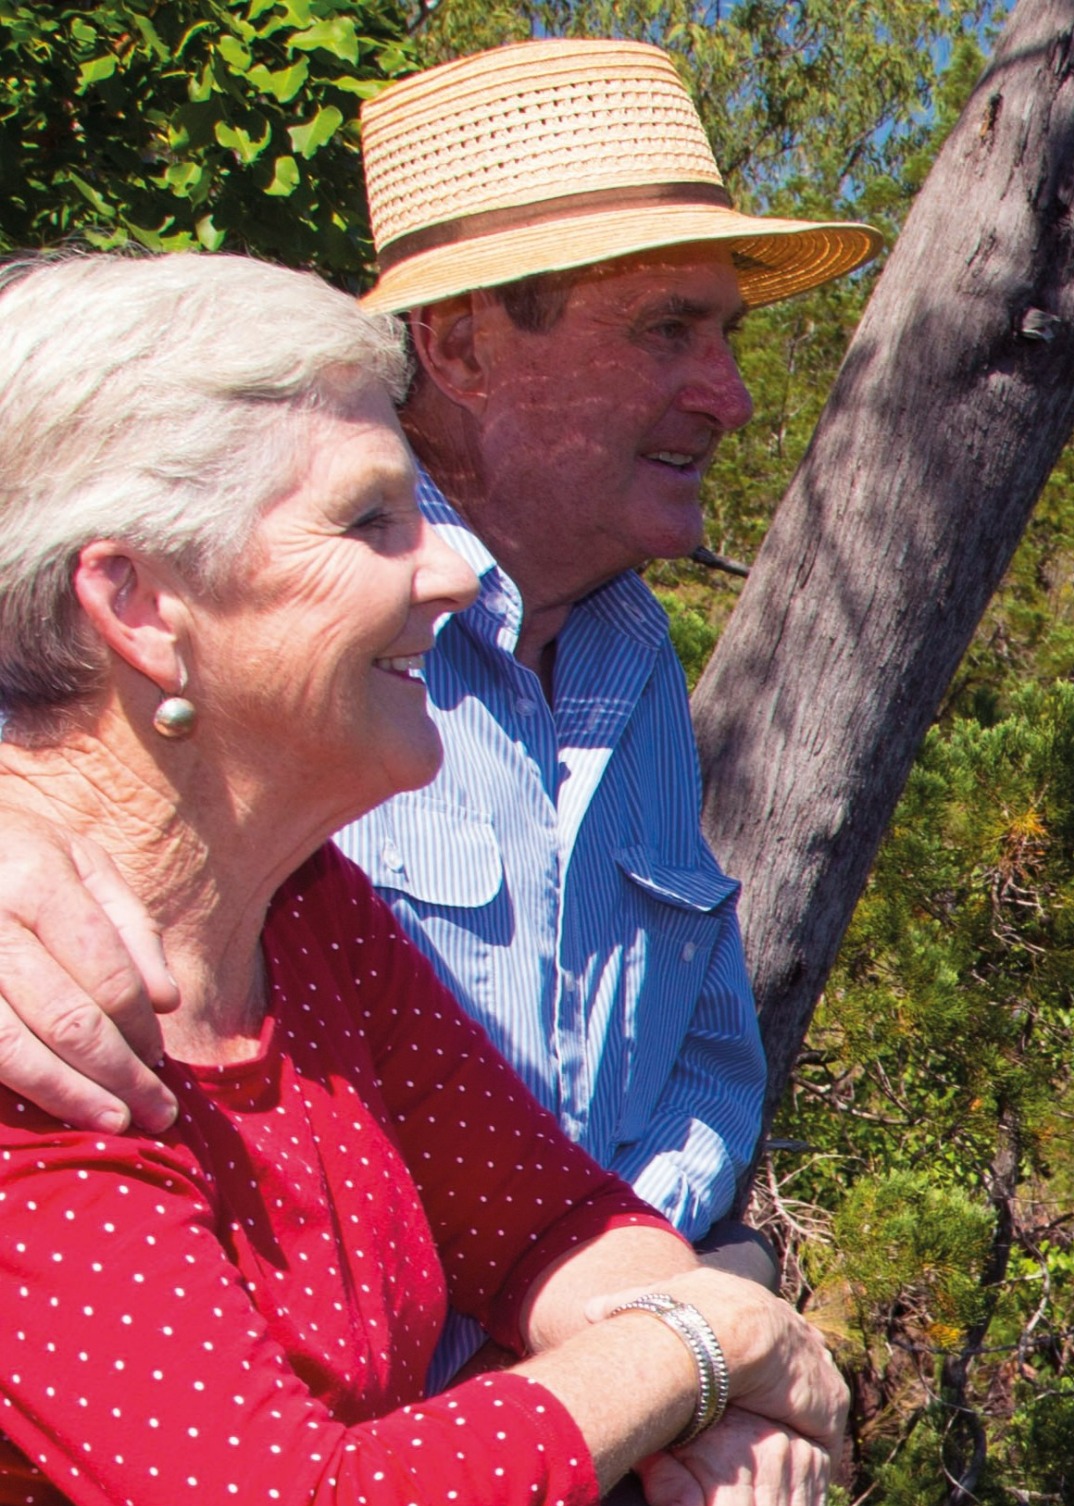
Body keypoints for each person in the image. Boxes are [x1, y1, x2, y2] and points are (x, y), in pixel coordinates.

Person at [0, 251, 848, 1506]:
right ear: (140, 607)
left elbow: (540, 1212)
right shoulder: (41, 1063)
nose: (449, 569)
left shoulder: (300, 919)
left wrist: (667, 1341)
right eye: (376, 521)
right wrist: (704, 1340)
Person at [0, 37, 881, 1388]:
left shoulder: (628, 657)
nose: (731, 394)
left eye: (726, 333)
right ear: (460, 344)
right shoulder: (257, 618)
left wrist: (666, 1333)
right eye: (666, 330)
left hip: (571, 1455)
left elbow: (699, 1068)